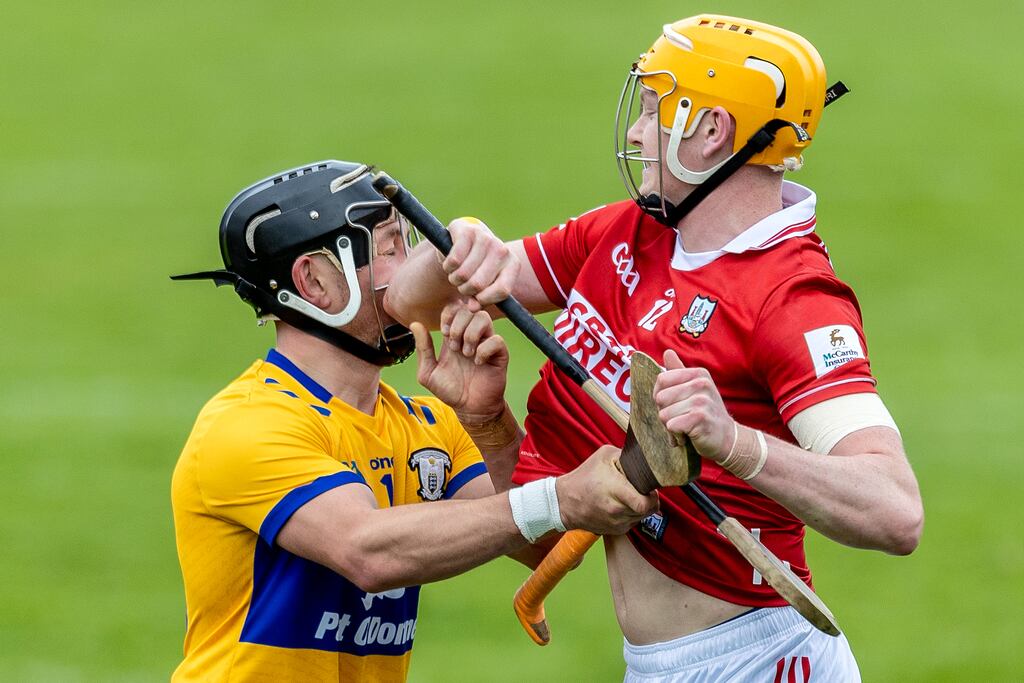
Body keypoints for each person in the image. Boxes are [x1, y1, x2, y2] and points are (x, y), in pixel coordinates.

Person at [385, 14, 923, 681]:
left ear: (711, 131)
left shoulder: (791, 298)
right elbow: (409, 303)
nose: (637, 131)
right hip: (658, 663)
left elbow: (895, 510)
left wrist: (733, 440)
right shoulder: (625, 233)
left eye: (653, 107)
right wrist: (464, 244)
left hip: (758, 659)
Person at [168, 160, 657, 682]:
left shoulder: (428, 423)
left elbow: (540, 543)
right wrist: (561, 496)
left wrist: (486, 419)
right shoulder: (249, 425)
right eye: (387, 249)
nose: (415, 274)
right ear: (312, 281)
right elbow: (367, 551)